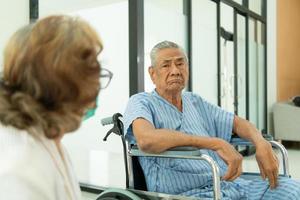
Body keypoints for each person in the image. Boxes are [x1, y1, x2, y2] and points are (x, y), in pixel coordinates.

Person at [123, 41, 300, 199]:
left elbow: (237, 123)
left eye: (180, 63)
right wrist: (215, 143)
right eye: (166, 65)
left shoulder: (195, 102)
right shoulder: (141, 102)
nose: (175, 71)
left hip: (230, 185)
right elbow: (146, 140)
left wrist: (260, 142)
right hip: (188, 194)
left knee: (293, 190)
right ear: (152, 73)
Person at [0, 15, 108, 199]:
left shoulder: (50, 138)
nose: (96, 85)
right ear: (59, 84)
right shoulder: (21, 165)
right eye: (90, 72)